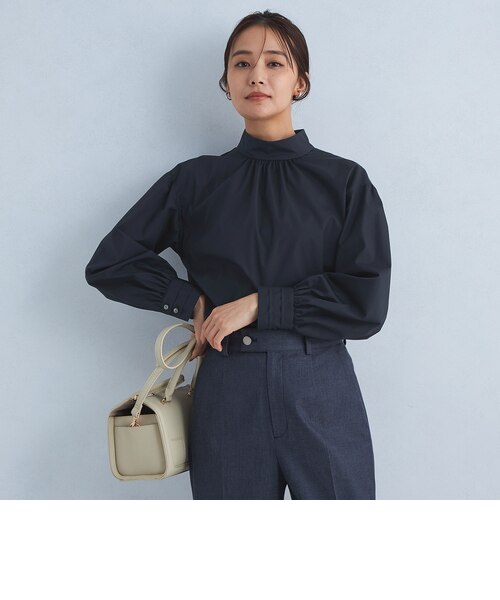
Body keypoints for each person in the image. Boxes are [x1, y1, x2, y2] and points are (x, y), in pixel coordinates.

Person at [85, 10, 391, 500]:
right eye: (242, 63)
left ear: (300, 82)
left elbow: (366, 304)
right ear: (227, 83)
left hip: (321, 385)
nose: (257, 76)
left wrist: (258, 304)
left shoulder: (344, 182)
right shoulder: (194, 182)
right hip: (228, 388)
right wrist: (191, 302)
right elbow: (110, 262)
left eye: (275, 63)